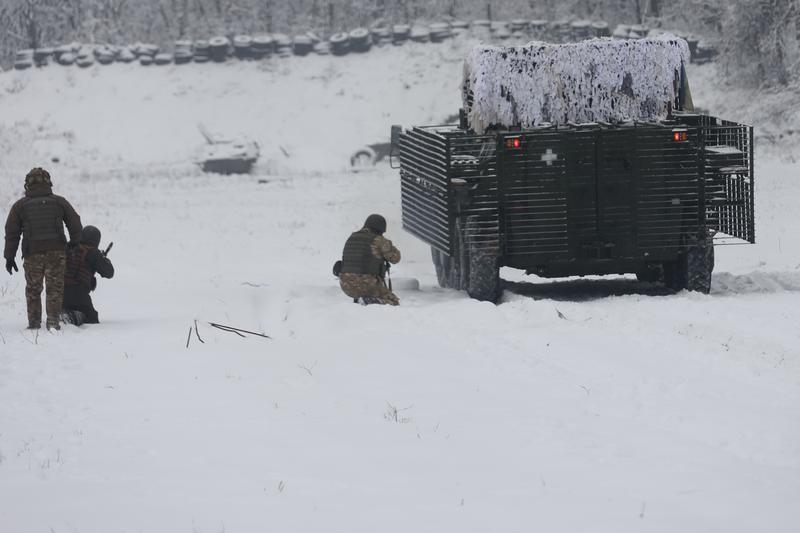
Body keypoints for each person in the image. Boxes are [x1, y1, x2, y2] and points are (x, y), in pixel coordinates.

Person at [4, 167, 82, 330]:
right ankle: (53, 322)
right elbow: (75, 222)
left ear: (28, 184)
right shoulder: (59, 202)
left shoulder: (20, 206)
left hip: (33, 253)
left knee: (33, 289)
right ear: (48, 182)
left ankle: (34, 324)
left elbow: (12, 233)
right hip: (57, 252)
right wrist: (74, 243)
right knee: (55, 289)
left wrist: (9, 257)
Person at [338, 214, 401, 305]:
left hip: (345, 285)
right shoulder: (379, 240)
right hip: (366, 284)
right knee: (394, 301)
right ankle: (371, 300)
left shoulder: (352, 237)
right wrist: (389, 245)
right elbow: (396, 258)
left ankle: (360, 299)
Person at [61, 225, 114, 326]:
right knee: (92, 318)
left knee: (68, 307)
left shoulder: (68, 248)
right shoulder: (93, 253)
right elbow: (109, 272)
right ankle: (72, 318)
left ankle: (65, 313)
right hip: (79, 294)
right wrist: (103, 259)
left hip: (60, 293)